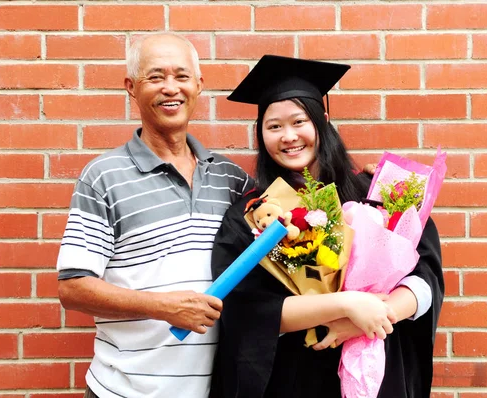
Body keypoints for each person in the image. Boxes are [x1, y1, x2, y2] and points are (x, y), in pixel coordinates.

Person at [210, 55, 444, 398]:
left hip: (374, 368)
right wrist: (346, 306)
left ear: (323, 120)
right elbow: (245, 309)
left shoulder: (375, 193)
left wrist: (378, 314)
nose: (288, 136)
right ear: (261, 134)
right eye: (274, 126)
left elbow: (426, 277)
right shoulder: (251, 215)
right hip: (292, 377)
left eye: (298, 121)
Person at [56, 32, 254, 398]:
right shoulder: (103, 177)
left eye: (181, 76)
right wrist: (164, 307)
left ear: (198, 85)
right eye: (156, 76)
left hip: (216, 390)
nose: (170, 88)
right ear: (131, 87)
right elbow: (72, 288)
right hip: (123, 391)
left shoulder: (232, 179)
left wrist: (362, 190)